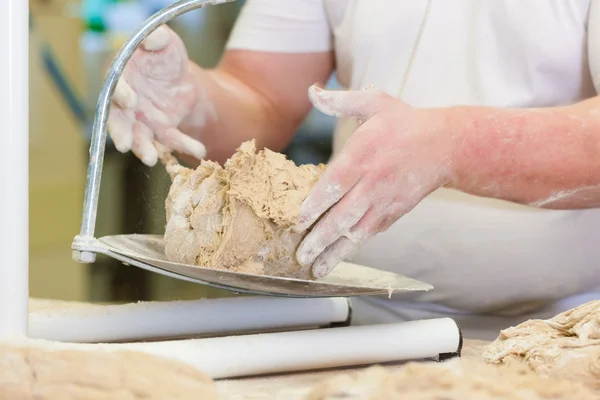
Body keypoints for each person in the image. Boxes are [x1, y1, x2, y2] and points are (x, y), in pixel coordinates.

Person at [108, 0, 600, 339]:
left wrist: (455, 145)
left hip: (571, 329)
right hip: (356, 322)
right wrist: (189, 100)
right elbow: (261, 95)